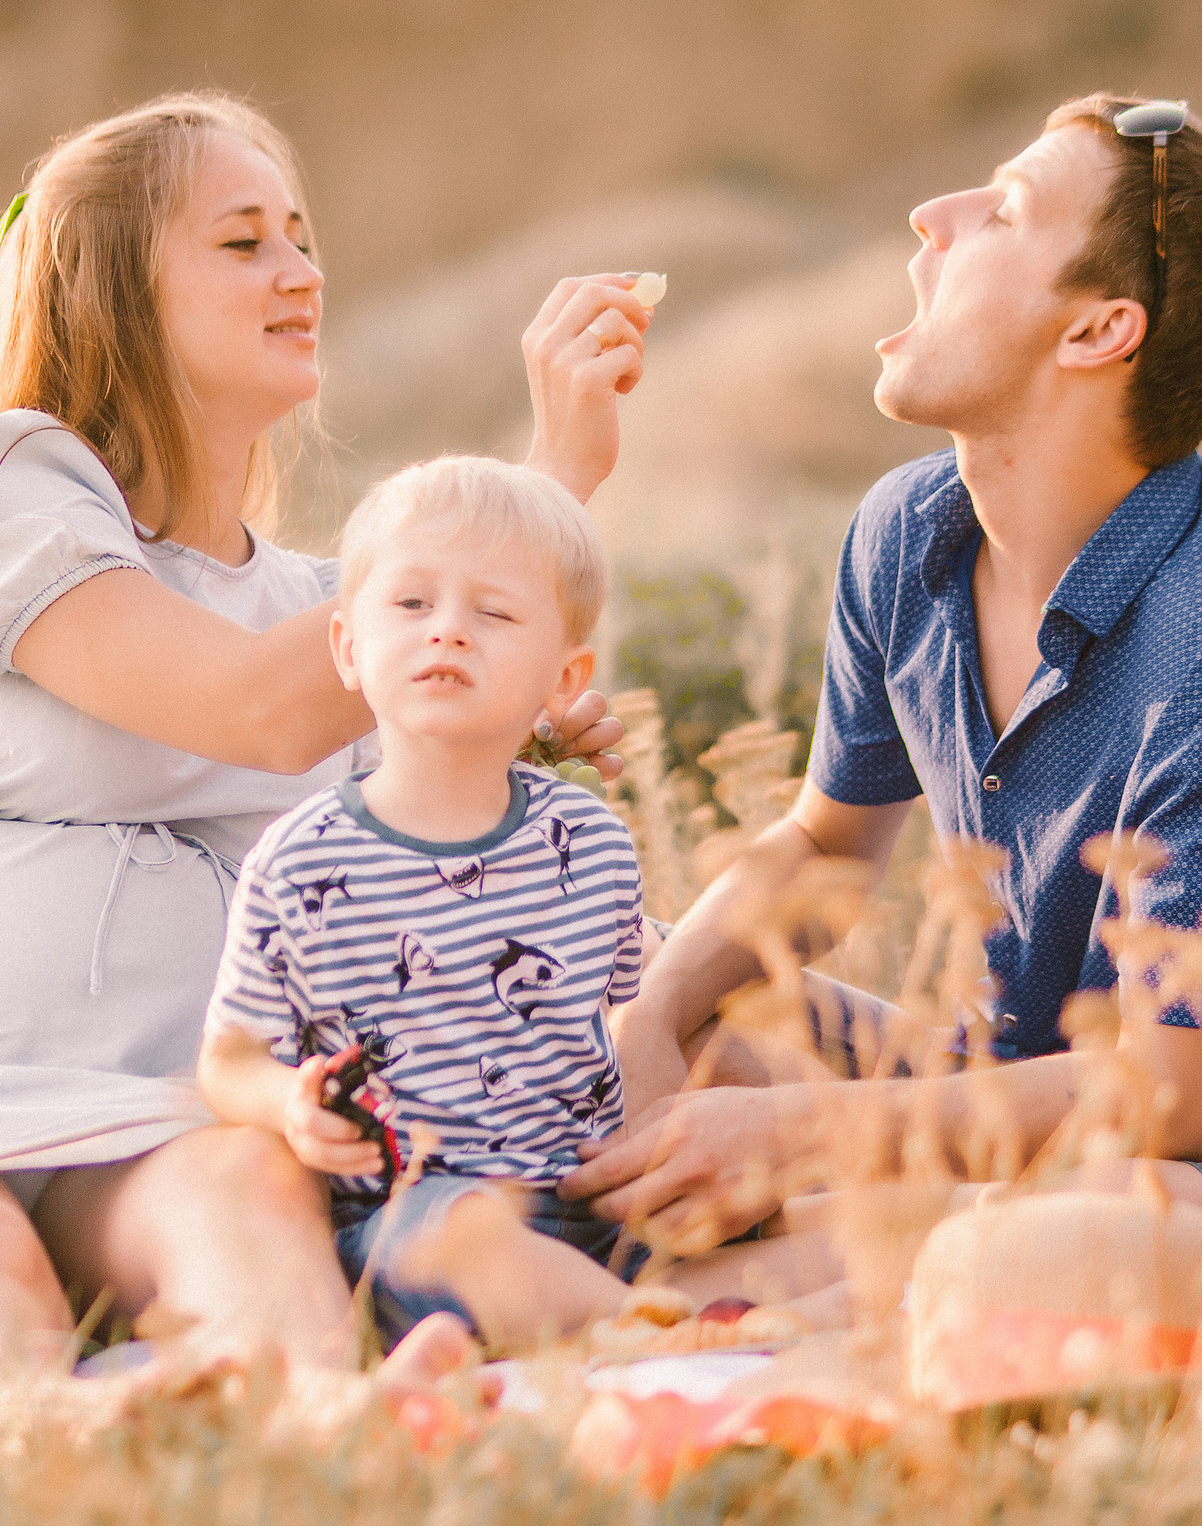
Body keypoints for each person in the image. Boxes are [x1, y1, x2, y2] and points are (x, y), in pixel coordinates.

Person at [0, 92, 656, 1414]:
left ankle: (325, 1436)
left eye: (304, 238)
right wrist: (543, 485)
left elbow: (414, 890)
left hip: (154, 1121)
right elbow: (249, 707)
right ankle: (50, 1444)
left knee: (244, 1192)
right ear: (118, 291)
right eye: (245, 241)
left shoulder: (330, 608)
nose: (302, 271)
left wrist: (497, 738)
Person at [562, 94, 1202, 1269]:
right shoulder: (906, 533)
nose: (931, 216)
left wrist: (798, 1131)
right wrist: (649, 1020)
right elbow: (824, 849)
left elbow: (1172, 1097)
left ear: (1096, 333)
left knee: (1063, 1237)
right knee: (604, 994)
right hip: (1000, 1091)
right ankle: (754, 1276)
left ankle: (752, 1285)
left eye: (1002, 210)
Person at [198, 457, 834, 1349]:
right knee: (466, 1242)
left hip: (586, 1195)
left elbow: (626, 1029)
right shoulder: (301, 862)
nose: (449, 632)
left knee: (839, 1233)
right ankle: (659, 1329)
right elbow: (227, 1062)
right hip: (420, 1217)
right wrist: (289, 1102)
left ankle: (674, 1312)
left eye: (492, 613)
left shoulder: (591, 843)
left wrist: (668, 1166)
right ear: (348, 647)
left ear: (563, 680)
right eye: (412, 605)